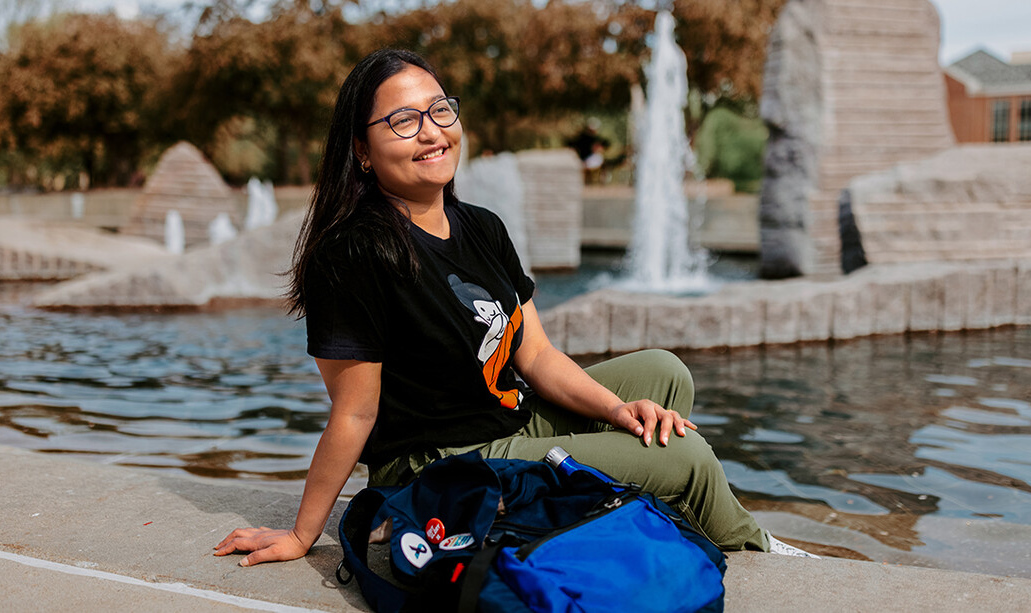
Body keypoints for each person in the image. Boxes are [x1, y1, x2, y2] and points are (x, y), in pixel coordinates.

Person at [214, 49, 807, 567]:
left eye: (440, 109)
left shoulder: (481, 226)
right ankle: (750, 546)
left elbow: (537, 354)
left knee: (664, 374)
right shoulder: (354, 252)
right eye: (403, 121)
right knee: (687, 459)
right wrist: (302, 532)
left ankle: (595, 508)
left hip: (507, 418)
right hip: (439, 461)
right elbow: (354, 414)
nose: (431, 131)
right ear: (362, 151)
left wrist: (619, 411)